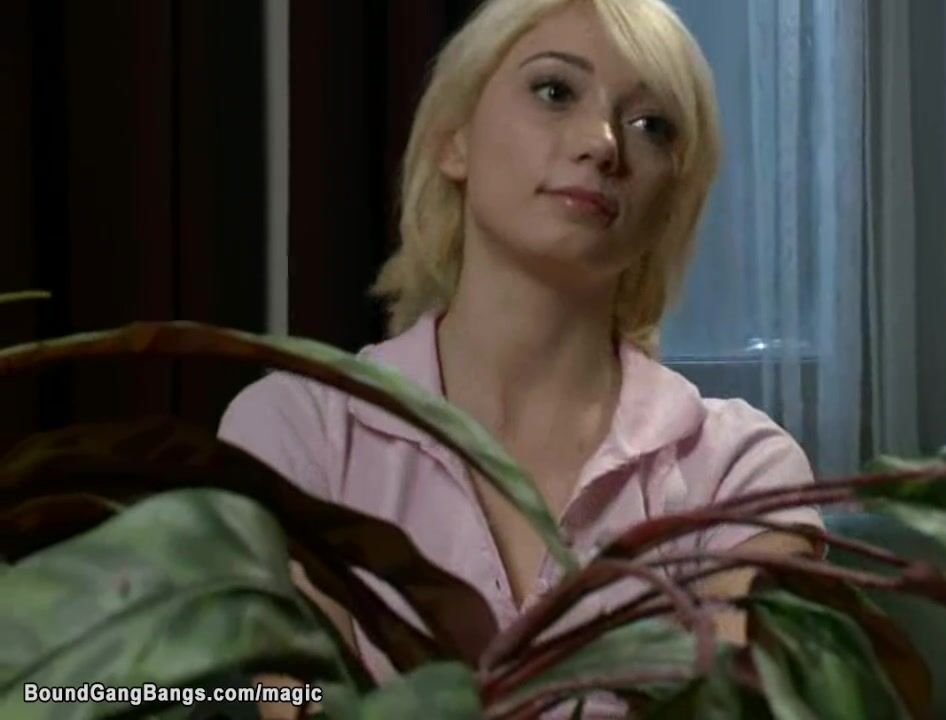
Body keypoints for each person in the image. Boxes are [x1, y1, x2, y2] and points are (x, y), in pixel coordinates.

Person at [217, 0, 825, 715]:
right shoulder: (302, 431)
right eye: (555, 91)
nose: (603, 144)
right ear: (454, 142)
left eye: (651, 126)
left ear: (670, 201)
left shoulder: (740, 471)